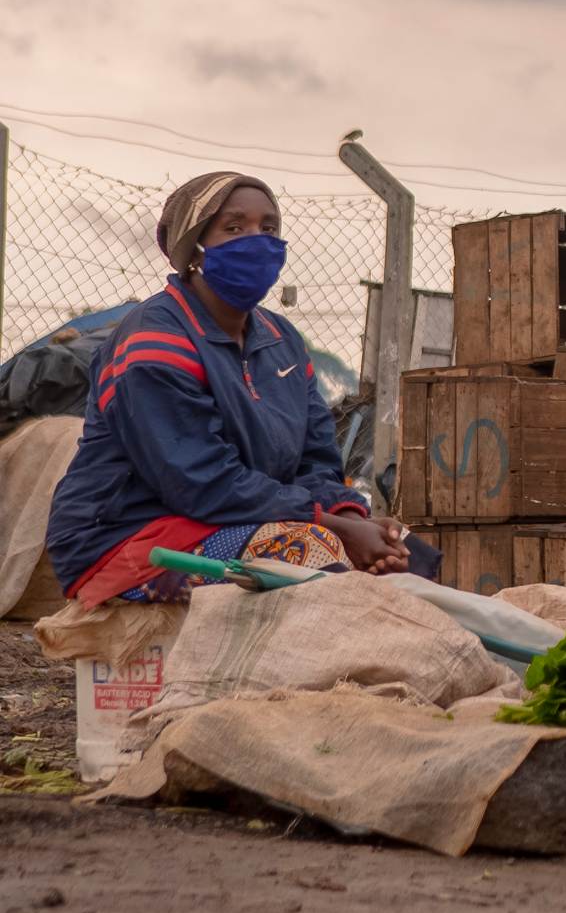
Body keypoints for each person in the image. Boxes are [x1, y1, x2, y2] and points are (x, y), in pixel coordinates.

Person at [45, 172, 423, 604]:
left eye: (269, 229)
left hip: (244, 518)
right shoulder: (154, 339)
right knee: (311, 555)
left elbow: (316, 460)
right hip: (131, 537)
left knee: (413, 557)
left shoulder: (283, 342)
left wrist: (348, 514)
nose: (257, 240)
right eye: (234, 227)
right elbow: (198, 481)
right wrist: (332, 526)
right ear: (194, 248)